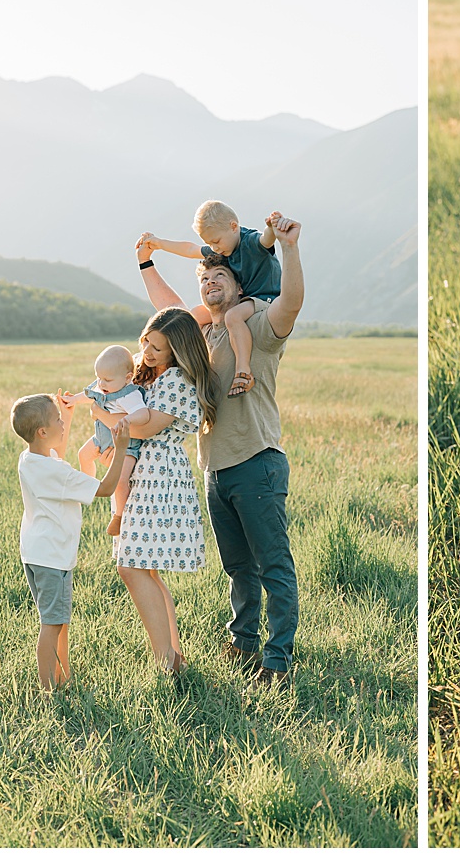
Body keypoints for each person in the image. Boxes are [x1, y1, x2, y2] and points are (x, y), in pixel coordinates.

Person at [135, 213, 305, 689]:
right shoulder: (202, 335)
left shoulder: (257, 327)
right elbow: (168, 310)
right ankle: (244, 640)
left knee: (272, 565)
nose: (210, 283)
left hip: (256, 462)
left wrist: (288, 251)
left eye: (220, 276)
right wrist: (147, 263)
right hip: (215, 469)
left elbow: (290, 303)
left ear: (239, 284)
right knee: (238, 568)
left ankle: (277, 659)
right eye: (205, 278)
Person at [89, 307, 219, 675]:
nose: (146, 350)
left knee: (132, 567)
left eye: (157, 347)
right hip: (144, 471)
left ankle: (166, 659)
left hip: (160, 474)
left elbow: (145, 430)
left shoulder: (177, 379)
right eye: (146, 340)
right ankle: (173, 657)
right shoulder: (152, 375)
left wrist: (102, 416)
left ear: (178, 351)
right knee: (143, 569)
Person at [11, 392, 130, 691]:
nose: (62, 423)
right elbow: (104, 488)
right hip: (53, 557)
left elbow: (58, 456)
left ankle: (62, 677)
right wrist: (121, 449)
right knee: (52, 624)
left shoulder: (31, 459)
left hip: (36, 553)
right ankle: (49, 690)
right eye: (58, 420)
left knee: (58, 620)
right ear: (42, 432)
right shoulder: (57, 473)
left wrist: (70, 414)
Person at [140, 201, 284, 397]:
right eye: (210, 244)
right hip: (245, 300)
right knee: (194, 315)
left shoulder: (249, 241)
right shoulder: (224, 247)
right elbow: (191, 249)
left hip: (264, 298)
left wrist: (272, 227)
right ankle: (174, 363)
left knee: (233, 317)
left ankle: (243, 371)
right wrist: (159, 243)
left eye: (216, 241)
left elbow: (266, 241)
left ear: (234, 227)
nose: (214, 248)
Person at [61, 344, 149, 536]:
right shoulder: (105, 386)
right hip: (102, 438)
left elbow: (143, 415)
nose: (101, 384)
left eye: (107, 379)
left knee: (120, 481)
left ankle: (119, 516)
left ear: (127, 378)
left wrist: (124, 421)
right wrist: (73, 400)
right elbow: (89, 394)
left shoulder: (129, 394)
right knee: (83, 455)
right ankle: (88, 486)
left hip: (126, 448)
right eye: (99, 377)